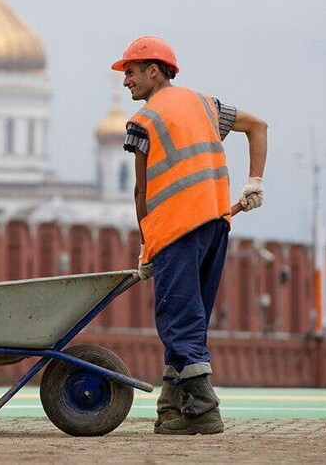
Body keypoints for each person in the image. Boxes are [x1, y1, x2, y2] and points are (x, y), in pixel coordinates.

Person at [113, 35, 268, 436]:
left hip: (177, 230)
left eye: (130, 72)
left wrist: (147, 246)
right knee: (190, 317)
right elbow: (259, 126)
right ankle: (172, 404)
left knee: (177, 317)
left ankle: (202, 409)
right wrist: (254, 182)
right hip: (216, 224)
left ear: (154, 70)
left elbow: (141, 191)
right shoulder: (206, 104)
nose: (125, 80)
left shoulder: (143, 122)